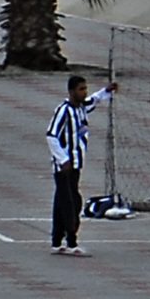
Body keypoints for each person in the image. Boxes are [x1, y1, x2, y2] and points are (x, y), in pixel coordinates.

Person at [46, 72, 114, 255]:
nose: (84, 92)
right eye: (80, 89)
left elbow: (94, 100)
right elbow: (51, 136)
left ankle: (56, 241)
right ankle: (72, 242)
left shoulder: (81, 108)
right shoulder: (63, 111)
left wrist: (106, 91)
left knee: (61, 201)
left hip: (76, 164)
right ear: (71, 91)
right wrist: (62, 159)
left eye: (85, 89)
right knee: (72, 202)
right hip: (64, 166)